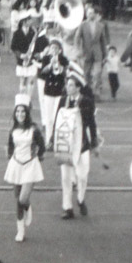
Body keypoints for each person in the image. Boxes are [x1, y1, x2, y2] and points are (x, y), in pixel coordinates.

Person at [52, 65, 98, 220]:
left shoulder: (87, 101)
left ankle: (80, 198)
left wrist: (94, 142)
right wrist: (54, 138)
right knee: (65, 177)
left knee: (82, 175)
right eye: (67, 84)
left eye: (71, 85)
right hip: (66, 145)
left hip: (82, 144)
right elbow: (57, 121)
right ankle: (67, 207)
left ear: (78, 87)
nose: (67, 87)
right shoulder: (63, 100)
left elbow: (91, 123)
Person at [4, 94, 45, 242]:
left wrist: (37, 156)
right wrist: (11, 158)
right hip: (16, 165)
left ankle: (27, 206)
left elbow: (42, 145)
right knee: (18, 199)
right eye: (17, 112)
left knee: (22, 198)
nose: (20, 114)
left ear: (27, 113)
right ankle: (20, 230)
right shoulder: (13, 130)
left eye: (23, 111)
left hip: (30, 165)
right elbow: (10, 146)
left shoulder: (33, 129)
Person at [74, 4, 109, 100]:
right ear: (86, 14)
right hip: (86, 52)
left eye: (92, 13)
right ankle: (87, 92)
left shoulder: (100, 26)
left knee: (97, 73)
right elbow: (77, 38)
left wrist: (105, 54)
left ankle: (96, 92)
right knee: (86, 73)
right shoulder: (82, 25)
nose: (90, 15)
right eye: (89, 13)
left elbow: (103, 41)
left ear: (95, 14)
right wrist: (78, 50)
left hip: (98, 53)